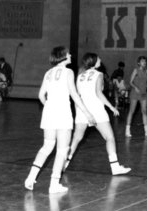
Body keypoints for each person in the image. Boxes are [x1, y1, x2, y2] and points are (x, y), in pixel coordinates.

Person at [24, 46, 96, 194]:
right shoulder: (68, 72)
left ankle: (30, 178)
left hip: (49, 112)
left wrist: (49, 106)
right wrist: (88, 113)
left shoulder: (48, 73)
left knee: (47, 146)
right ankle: (54, 184)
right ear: (63, 56)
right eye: (68, 53)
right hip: (62, 112)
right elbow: (74, 95)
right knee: (62, 150)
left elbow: (41, 95)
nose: (70, 55)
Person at [65, 53, 131, 175]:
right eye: (98, 58)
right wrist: (111, 107)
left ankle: (64, 164)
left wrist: (78, 111)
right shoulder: (99, 74)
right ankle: (115, 167)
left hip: (82, 109)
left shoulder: (80, 76)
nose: (100, 59)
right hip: (96, 110)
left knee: (76, 139)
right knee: (110, 137)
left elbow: (77, 95)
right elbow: (99, 94)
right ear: (94, 61)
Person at [125, 56, 147, 137]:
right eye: (142, 61)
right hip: (135, 93)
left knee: (145, 111)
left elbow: (145, 83)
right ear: (139, 63)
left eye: (145, 61)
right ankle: (127, 130)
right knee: (132, 111)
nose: (144, 62)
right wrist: (136, 87)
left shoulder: (146, 72)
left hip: (144, 94)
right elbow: (130, 82)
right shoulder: (136, 70)